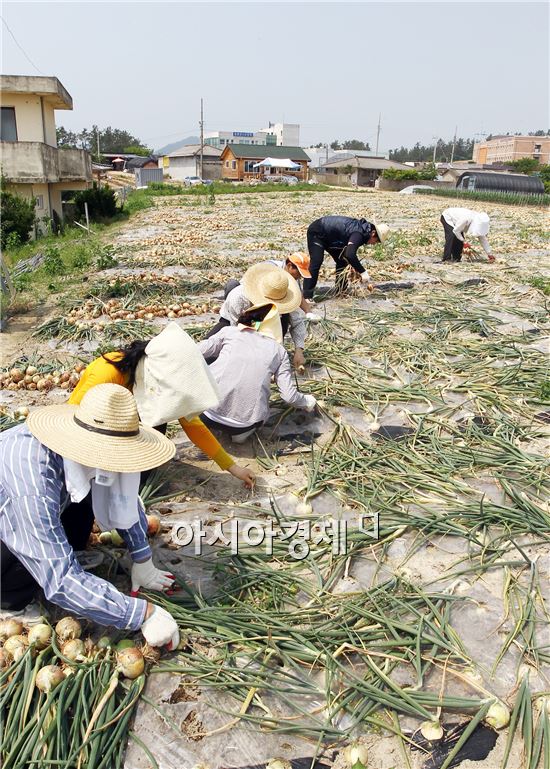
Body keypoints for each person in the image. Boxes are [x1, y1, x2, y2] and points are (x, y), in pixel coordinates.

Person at [0, 383, 180, 647]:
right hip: (10, 520)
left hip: (38, 503)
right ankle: (8, 601)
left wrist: (142, 557)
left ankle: (68, 561)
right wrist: (141, 614)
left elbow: (121, 494)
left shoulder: (77, 450)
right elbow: (60, 580)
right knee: (31, 558)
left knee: (88, 493)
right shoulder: (32, 483)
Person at [69, 323, 255, 489]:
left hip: (123, 434)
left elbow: (193, 426)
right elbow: (71, 420)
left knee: (157, 427)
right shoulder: (107, 373)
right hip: (93, 435)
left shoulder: (161, 380)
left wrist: (233, 467)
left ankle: (134, 473)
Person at [198, 303, 317, 443]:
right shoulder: (279, 351)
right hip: (243, 425)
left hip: (204, 413)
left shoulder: (229, 332)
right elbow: (289, 397)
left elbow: (195, 351)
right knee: (254, 415)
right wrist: (308, 401)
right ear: (274, 328)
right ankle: (240, 436)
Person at [206, 263, 308, 370]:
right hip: (235, 324)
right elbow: (237, 333)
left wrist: (299, 350)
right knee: (209, 355)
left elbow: (298, 322)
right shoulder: (238, 298)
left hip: (269, 325)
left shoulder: (284, 295)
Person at [302, 216, 390, 299]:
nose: (374, 244)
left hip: (332, 238)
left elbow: (348, 255)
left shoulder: (364, 231)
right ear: (373, 233)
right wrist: (363, 272)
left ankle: (341, 291)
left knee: (342, 261)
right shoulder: (359, 233)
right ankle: (307, 296)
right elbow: (350, 254)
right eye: (377, 241)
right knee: (316, 261)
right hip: (317, 232)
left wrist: (355, 268)